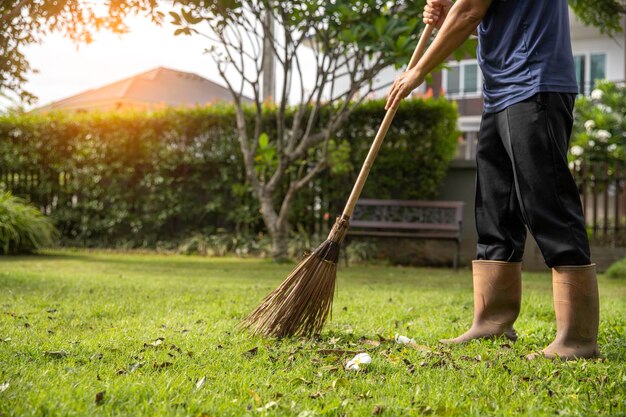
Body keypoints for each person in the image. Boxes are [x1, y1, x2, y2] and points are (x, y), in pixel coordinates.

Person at [386, 0, 599, 360]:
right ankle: (492, 321)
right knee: (496, 208)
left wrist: (418, 71)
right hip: (501, 92)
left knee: (548, 203)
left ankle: (578, 338)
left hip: (534, 83)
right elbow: (486, 18)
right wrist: (445, 21)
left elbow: (469, 8)